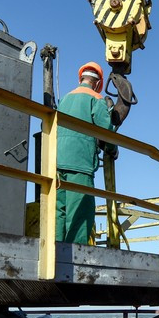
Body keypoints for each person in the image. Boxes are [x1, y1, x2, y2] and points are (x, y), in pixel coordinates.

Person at [55, 61, 114, 244]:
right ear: (97, 83)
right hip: (80, 164)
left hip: (57, 162)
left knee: (59, 212)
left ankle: (54, 252)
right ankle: (75, 259)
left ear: (81, 78)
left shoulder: (64, 99)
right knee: (80, 212)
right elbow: (106, 131)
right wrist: (112, 150)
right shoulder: (96, 98)